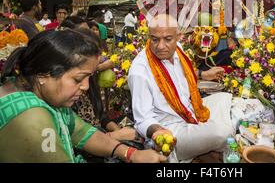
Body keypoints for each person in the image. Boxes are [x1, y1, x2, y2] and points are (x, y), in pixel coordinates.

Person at [0, 30, 165, 163]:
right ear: (43, 75)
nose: (86, 86)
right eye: (78, 79)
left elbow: (82, 132)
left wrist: (131, 154)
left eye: (89, 78)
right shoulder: (31, 116)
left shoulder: (42, 95)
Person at [128, 14, 234, 162]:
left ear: (178, 36)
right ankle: (207, 151)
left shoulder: (178, 49)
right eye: (155, 39)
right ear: (149, 37)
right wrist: (158, 132)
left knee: (228, 99)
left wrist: (204, 74)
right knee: (224, 132)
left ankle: (205, 149)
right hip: (172, 130)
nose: (160, 46)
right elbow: (142, 119)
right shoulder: (140, 71)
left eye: (168, 39)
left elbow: (182, 75)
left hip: (191, 110)